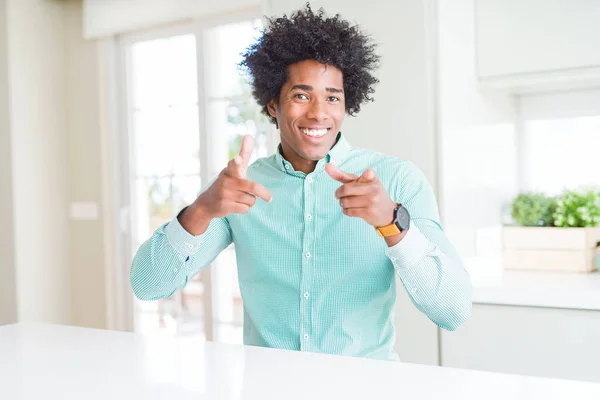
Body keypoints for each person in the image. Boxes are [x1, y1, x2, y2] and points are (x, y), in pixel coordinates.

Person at [130, 4, 472, 361]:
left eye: (332, 97)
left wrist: (393, 224)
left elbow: (453, 310)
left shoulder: (398, 180)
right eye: (301, 95)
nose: (319, 113)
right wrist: (200, 210)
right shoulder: (241, 187)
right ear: (273, 105)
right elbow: (148, 285)